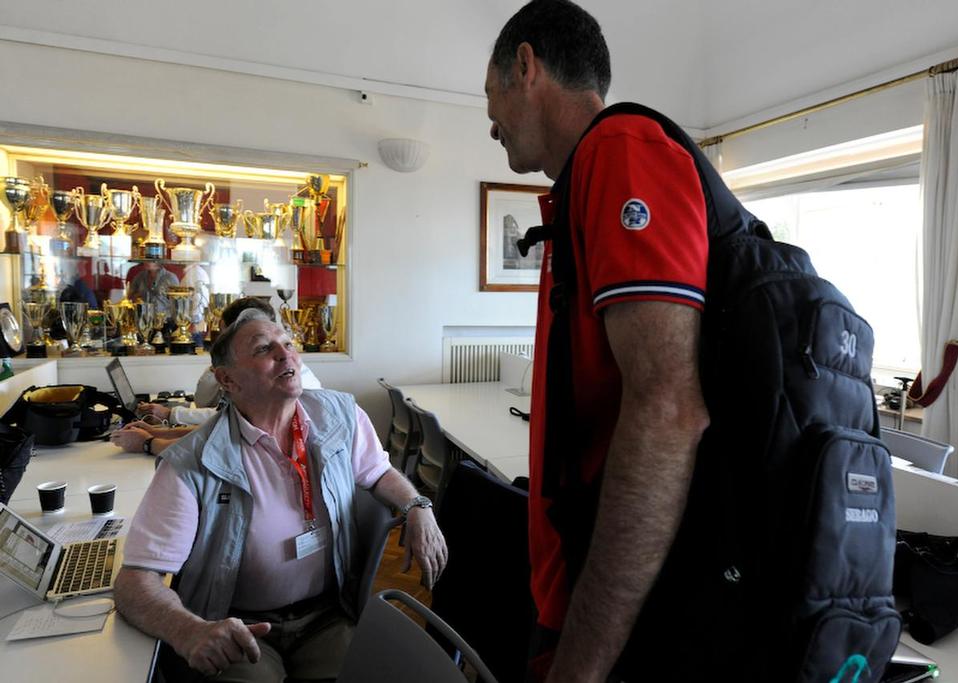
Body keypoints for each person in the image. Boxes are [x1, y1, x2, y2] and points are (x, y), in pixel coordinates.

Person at [485, 2, 710, 680]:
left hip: (608, 618)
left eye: (489, 94)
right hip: (571, 586)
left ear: (526, 67)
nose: (489, 120)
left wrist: (580, 661)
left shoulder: (621, 150)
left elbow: (668, 409)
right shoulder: (579, 184)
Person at [113, 310, 447, 681]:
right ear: (227, 379)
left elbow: (379, 472)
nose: (286, 354)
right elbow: (134, 583)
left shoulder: (340, 415)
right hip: (236, 626)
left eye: (287, 343)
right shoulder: (189, 464)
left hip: (327, 617)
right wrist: (188, 630)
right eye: (263, 349)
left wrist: (418, 506)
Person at [113, 297, 323, 455]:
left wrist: (148, 443)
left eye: (288, 344)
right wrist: (159, 433)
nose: (285, 354)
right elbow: (221, 426)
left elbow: (220, 444)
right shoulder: (250, 377)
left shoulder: (288, 383)